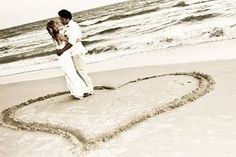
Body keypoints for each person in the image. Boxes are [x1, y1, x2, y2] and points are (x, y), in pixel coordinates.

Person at [46, 19, 93, 99]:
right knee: (72, 72)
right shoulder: (59, 35)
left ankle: (75, 91)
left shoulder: (54, 36)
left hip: (62, 56)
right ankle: (81, 91)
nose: (58, 24)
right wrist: (78, 39)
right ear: (54, 27)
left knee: (68, 73)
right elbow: (69, 41)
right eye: (56, 24)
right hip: (65, 55)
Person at [56, 9, 94, 97]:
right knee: (77, 72)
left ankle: (90, 89)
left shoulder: (73, 26)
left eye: (62, 19)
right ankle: (84, 89)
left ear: (67, 18)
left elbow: (72, 42)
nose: (60, 21)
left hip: (76, 51)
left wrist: (62, 50)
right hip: (71, 53)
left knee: (81, 71)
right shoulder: (66, 27)